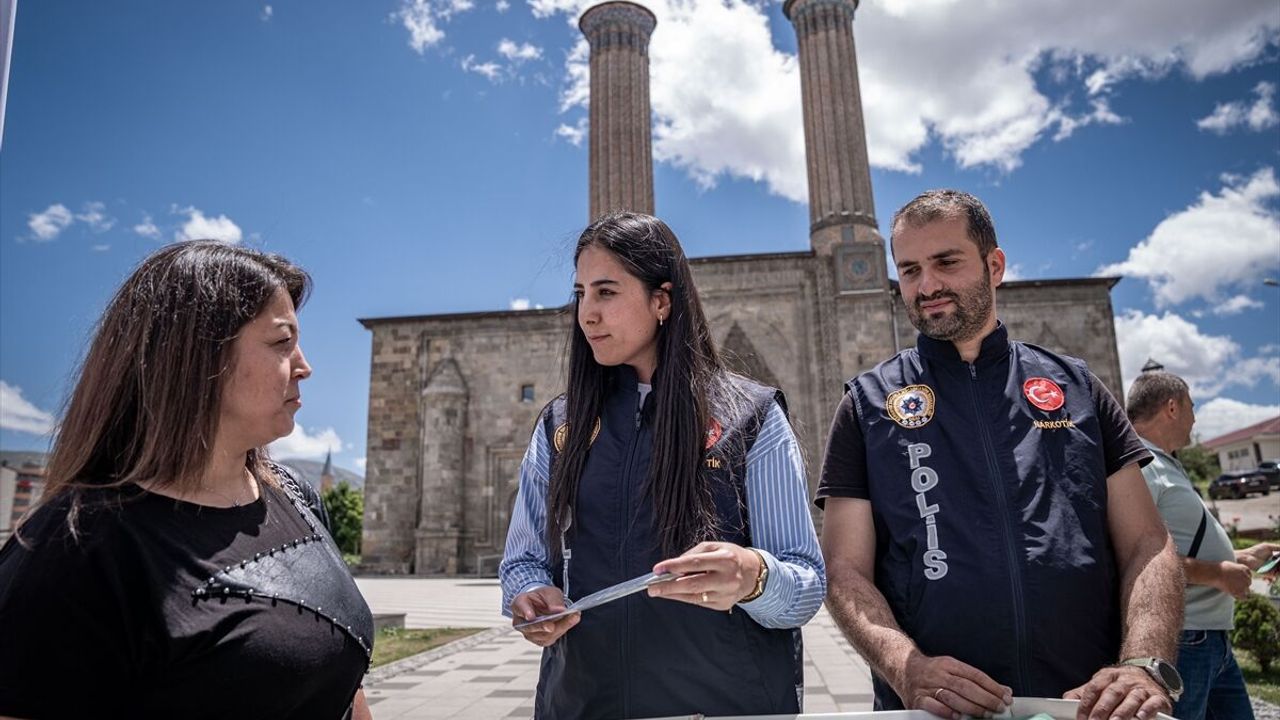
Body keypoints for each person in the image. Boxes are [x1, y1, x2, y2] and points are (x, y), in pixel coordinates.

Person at [817, 189, 1184, 720]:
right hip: (938, 709)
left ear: (994, 265)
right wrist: (907, 667)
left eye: (946, 262)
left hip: (1088, 704)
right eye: (910, 270)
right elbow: (844, 570)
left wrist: (1143, 663)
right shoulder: (869, 404)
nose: (928, 285)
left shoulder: (1074, 388)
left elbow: (1148, 542)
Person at [0, 241, 374, 720]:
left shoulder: (293, 496)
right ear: (199, 357)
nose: (305, 365)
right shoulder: (74, 551)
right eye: (282, 342)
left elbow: (339, 684)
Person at [498, 212, 826, 719]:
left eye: (606, 292)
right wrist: (528, 595)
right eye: (580, 293)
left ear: (662, 300)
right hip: (583, 703)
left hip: (723, 704)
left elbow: (805, 585)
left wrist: (752, 576)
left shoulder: (750, 417)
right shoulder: (560, 427)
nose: (587, 313)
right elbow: (523, 561)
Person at [1127, 370, 1278, 720]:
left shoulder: (1165, 463)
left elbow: (1174, 543)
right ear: (1172, 407)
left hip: (1211, 640)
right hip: (1184, 640)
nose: (1195, 419)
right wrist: (1217, 574)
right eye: (1192, 407)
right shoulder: (1141, 464)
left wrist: (1239, 557)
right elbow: (1134, 556)